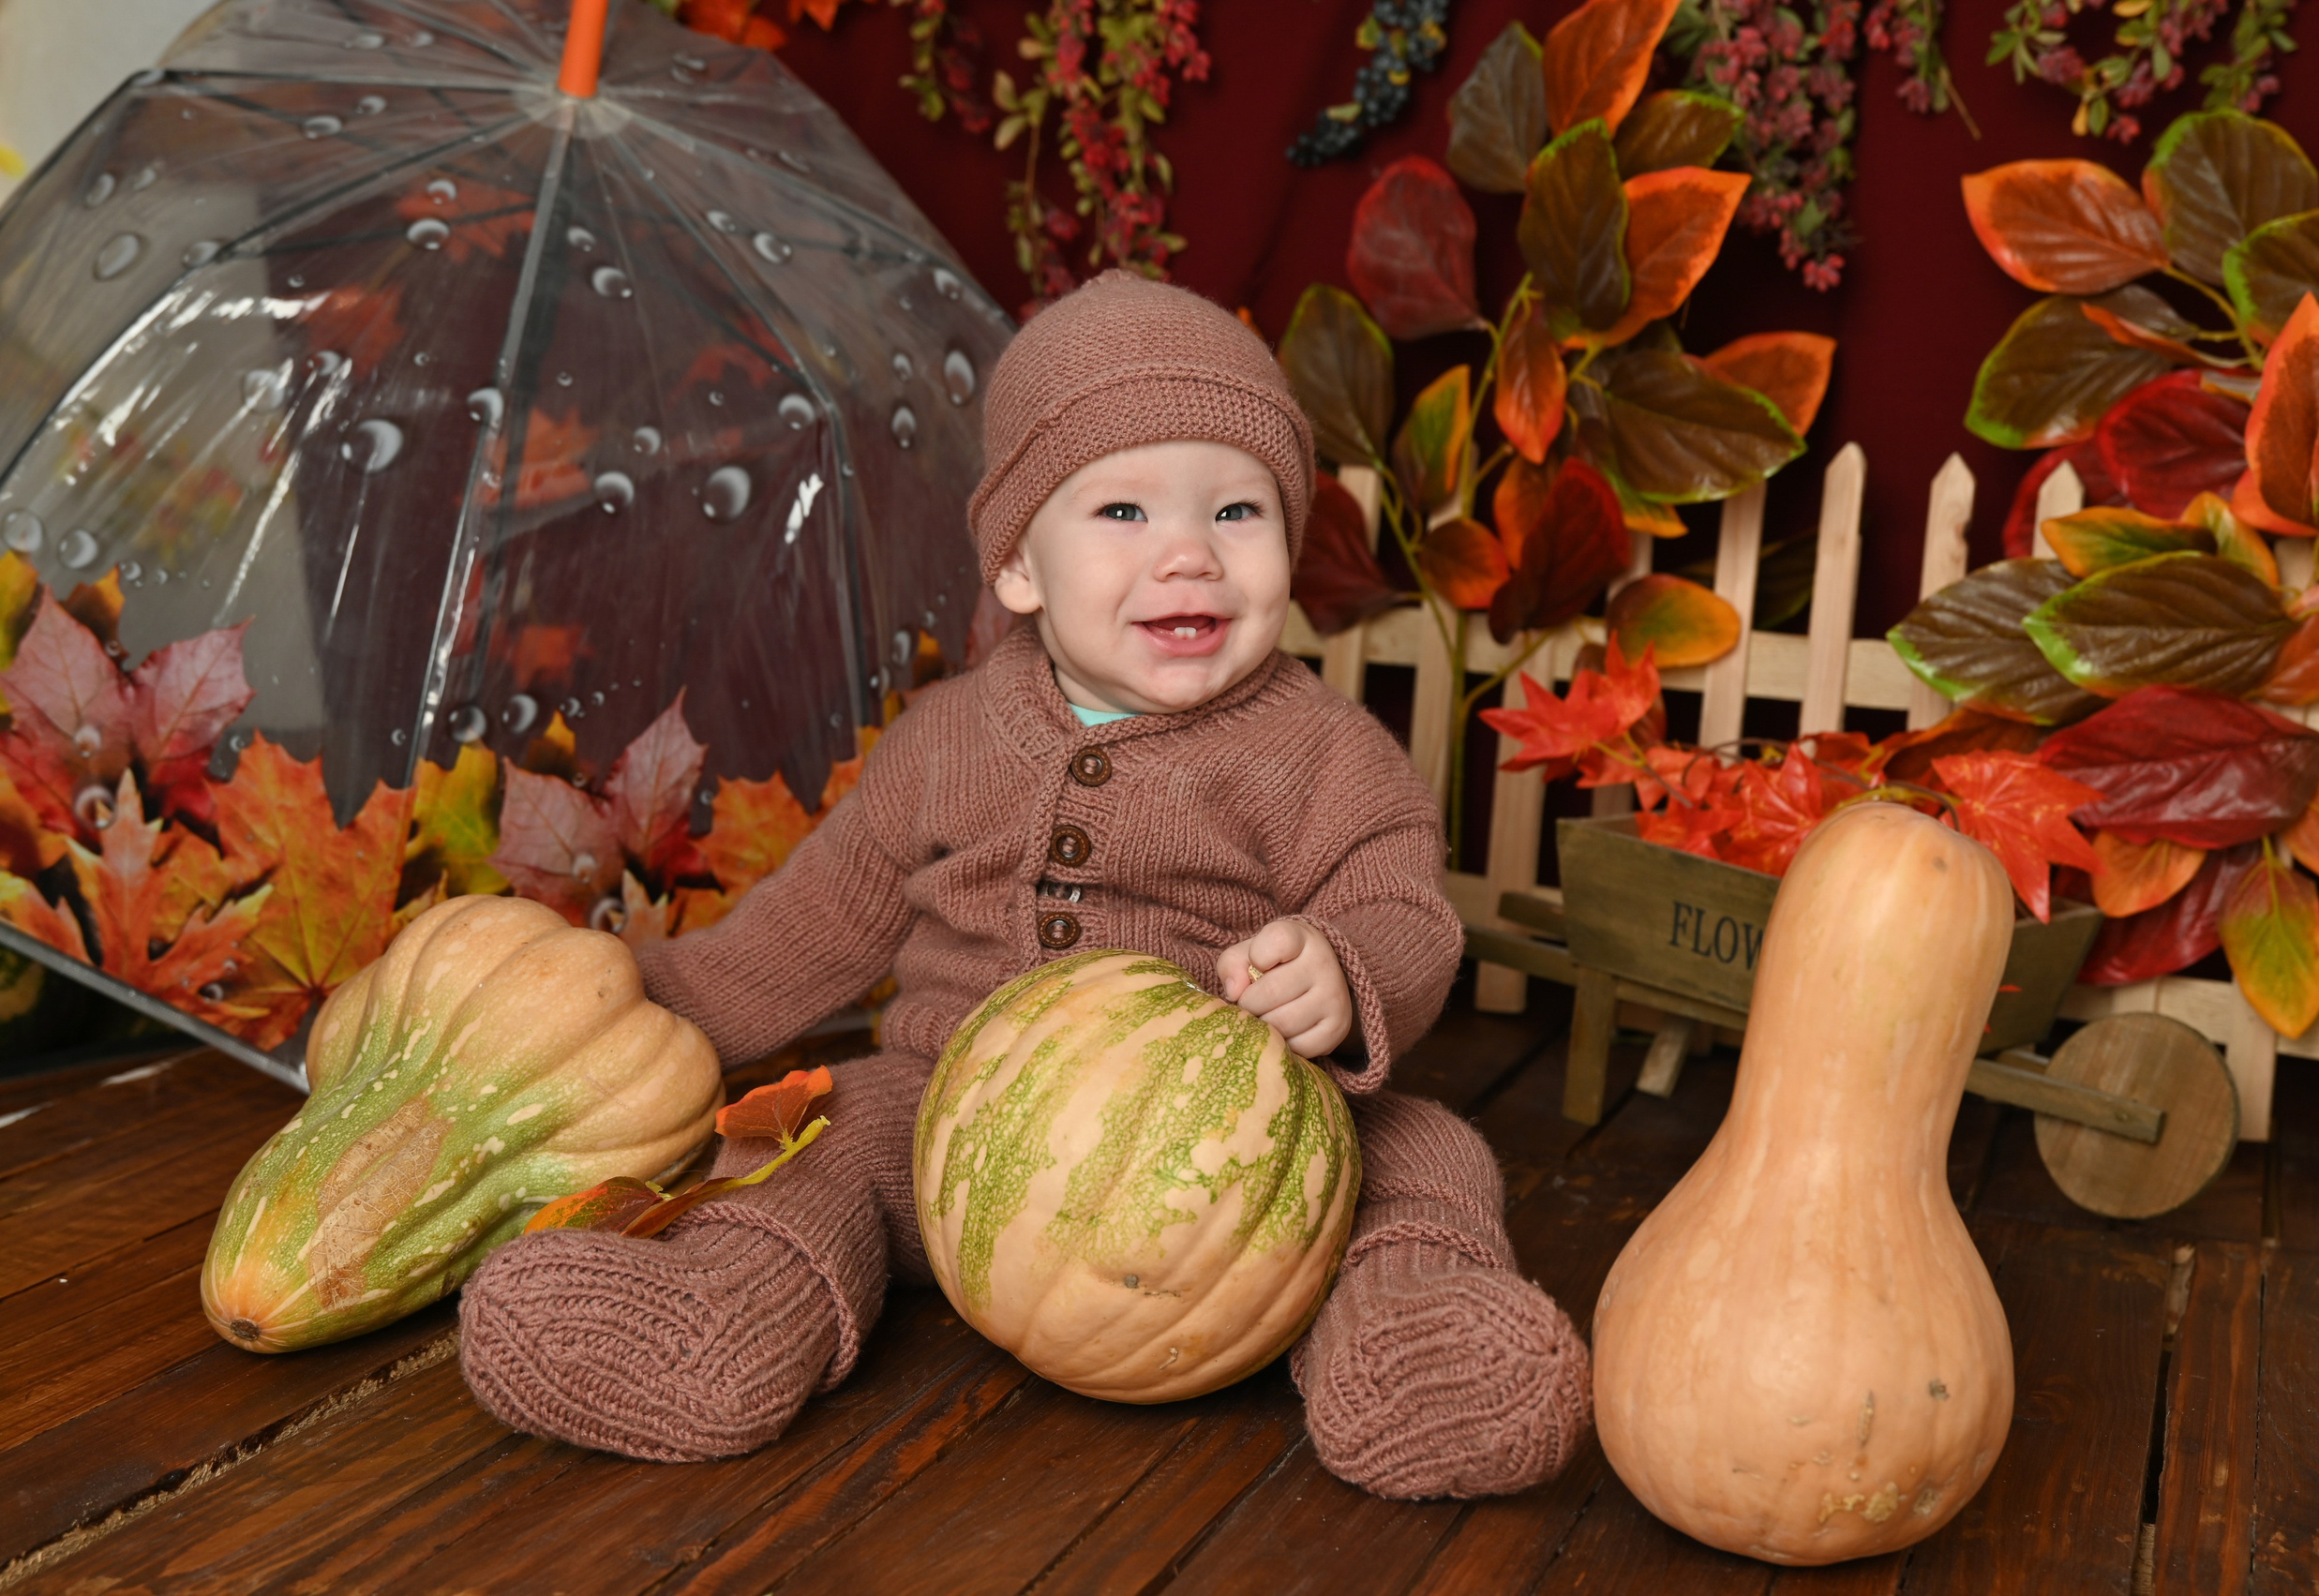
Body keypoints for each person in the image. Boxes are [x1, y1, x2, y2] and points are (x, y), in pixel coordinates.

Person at [457, 272, 1591, 1499]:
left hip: (1236, 1158)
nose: (1188, 557)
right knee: (813, 1138)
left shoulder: (1318, 754)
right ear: (1018, 572)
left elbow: (1400, 903)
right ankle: (717, 1322)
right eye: (1121, 510)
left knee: (1423, 1150)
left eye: (1236, 512)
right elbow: (815, 922)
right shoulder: (949, 742)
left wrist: (1344, 971)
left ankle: (1411, 1346)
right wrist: (627, 1010)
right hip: (951, 1117)